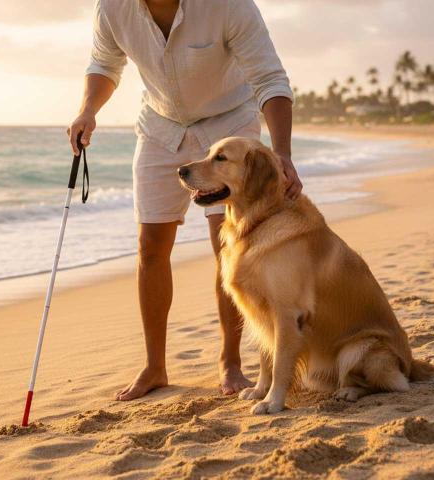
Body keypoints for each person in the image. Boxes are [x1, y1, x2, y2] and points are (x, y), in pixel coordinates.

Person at [67, 0, 302, 401]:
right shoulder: (113, 8)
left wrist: (282, 153)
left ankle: (231, 362)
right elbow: (104, 65)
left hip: (227, 126)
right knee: (150, 247)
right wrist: (88, 110)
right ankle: (155, 368)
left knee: (227, 244)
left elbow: (269, 79)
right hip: (160, 127)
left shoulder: (230, 6)